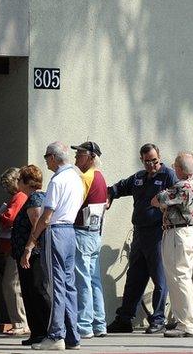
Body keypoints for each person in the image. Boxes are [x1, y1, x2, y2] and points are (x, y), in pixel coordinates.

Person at [107, 143, 177, 334]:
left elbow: (179, 197)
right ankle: (124, 319)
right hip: (139, 233)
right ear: (142, 160)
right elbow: (118, 188)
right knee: (134, 278)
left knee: (159, 278)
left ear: (159, 157)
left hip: (158, 233)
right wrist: (109, 196)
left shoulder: (168, 175)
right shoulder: (139, 177)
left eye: (154, 161)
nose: (151, 165)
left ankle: (158, 318)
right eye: (147, 162)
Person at [22, 142, 85, 351]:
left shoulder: (57, 180)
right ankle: (72, 336)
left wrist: (31, 243)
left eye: (46, 156)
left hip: (56, 231)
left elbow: (46, 217)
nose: (46, 160)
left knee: (57, 285)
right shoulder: (77, 179)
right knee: (69, 285)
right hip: (70, 231)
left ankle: (56, 334)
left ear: (53, 158)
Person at [152, 151, 193, 338]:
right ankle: (189, 320)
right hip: (187, 232)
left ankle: (186, 323)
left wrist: (164, 204)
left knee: (178, 277)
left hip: (177, 233)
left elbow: (156, 200)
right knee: (184, 276)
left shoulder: (182, 186)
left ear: (180, 169)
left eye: (175, 166)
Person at [70, 141, 108, 339]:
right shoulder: (100, 177)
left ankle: (84, 325)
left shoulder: (86, 177)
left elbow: (74, 204)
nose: (76, 157)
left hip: (83, 232)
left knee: (83, 279)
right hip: (94, 233)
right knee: (93, 280)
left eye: (80, 154)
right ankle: (99, 323)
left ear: (92, 157)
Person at [11, 164, 49, 346]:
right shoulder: (32, 198)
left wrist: (27, 249)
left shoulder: (35, 199)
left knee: (36, 290)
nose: (17, 183)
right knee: (29, 292)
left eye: (19, 180)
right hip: (27, 254)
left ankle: (45, 330)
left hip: (32, 254)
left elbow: (36, 226)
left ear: (27, 182)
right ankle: (37, 332)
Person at [0, 167, 28, 337]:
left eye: (7, 184)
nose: (6, 188)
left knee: (11, 285)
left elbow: (11, 219)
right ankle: (21, 322)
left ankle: (20, 323)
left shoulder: (19, 197)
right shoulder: (18, 197)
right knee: (14, 285)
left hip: (15, 248)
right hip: (12, 248)